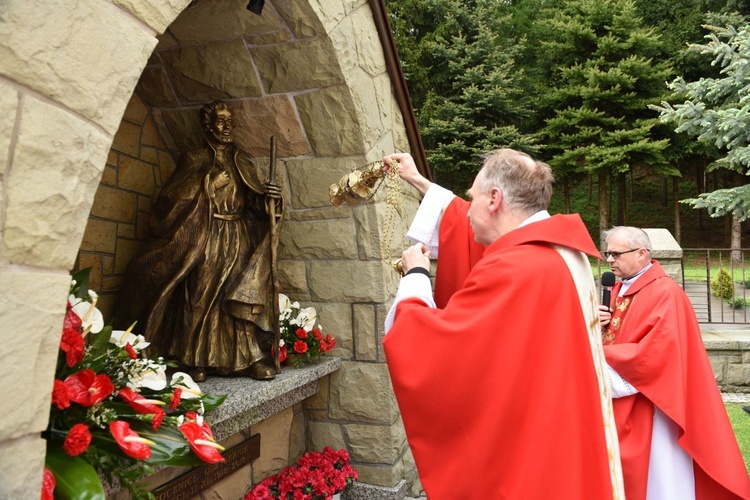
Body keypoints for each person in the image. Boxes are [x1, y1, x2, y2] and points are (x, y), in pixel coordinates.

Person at [382, 150, 624, 499]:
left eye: (473, 198)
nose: (468, 211)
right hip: (558, 429)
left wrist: (416, 276)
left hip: (530, 456)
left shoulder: (518, 267)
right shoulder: (559, 249)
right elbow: (471, 223)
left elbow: (440, 350)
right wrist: (419, 181)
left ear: (494, 199)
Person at [116, 100, 282, 381]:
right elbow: (168, 201)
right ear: (207, 125)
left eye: (230, 121)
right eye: (220, 121)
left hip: (237, 236)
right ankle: (194, 359)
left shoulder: (242, 161)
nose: (227, 126)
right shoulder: (193, 159)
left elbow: (254, 203)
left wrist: (270, 200)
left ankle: (249, 359)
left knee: (237, 294)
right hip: (204, 234)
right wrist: (206, 185)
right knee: (198, 298)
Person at [599, 226, 750, 500]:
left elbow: (656, 354)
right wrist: (596, 326)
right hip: (621, 403)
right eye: (608, 253)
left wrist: (596, 358)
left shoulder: (665, 293)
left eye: (616, 254)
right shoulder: (618, 288)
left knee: (659, 477)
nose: (609, 260)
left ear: (642, 254)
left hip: (653, 403)